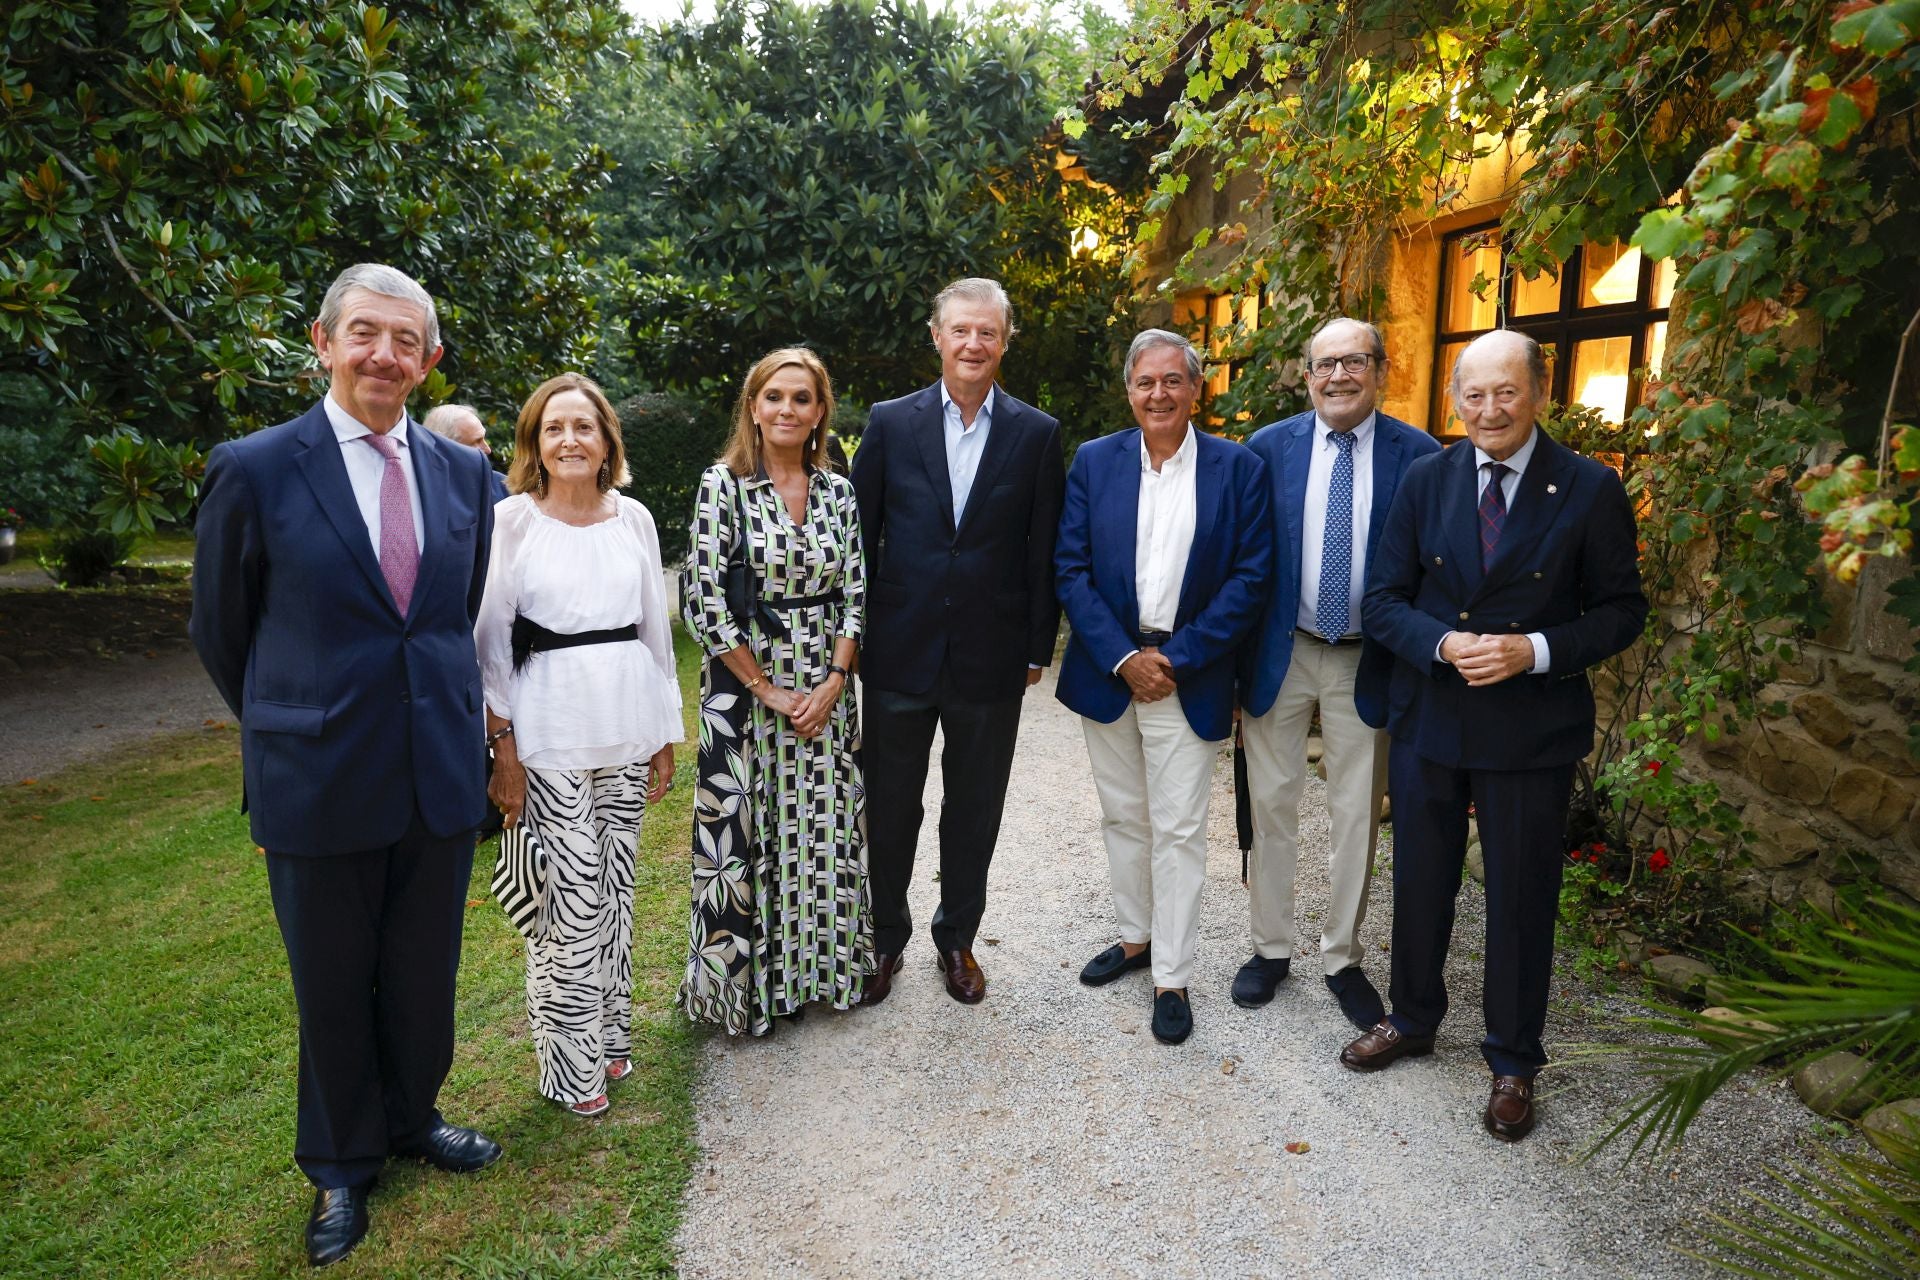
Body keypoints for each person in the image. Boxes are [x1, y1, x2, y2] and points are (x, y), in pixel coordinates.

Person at [189, 264, 501, 1269]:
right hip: (317, 772)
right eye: (364, 333)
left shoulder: (464, 478)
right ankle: (338, 1161)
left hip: (435, 771)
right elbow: (220, 628)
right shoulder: (256, 467)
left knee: (422, 969)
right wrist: (291, 720)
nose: (383, 355)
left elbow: (452, 615)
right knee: (330, 978)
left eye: (405, 340)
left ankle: (414, 1117)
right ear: (322, 342)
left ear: (430, 359)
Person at [1342, 329, 1648, 1142]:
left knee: (1519, 898)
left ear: (1540, 394)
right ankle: (1410, 1020)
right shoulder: (1424, 479)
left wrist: (1535, 651)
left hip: (1530, 729)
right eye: (1472, 394)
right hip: (1432, 716)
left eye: (1505, 392)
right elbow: (1381, 600)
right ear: (1452, 401)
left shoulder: (1588, 488)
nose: (1488, 409)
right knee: (1421, 880)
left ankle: (1513, 1059)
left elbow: (1623, 610)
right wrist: (1443, 643)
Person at [850, 278, 1066, 1006]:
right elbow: (861, 540)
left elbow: (1042, 549)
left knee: (974, 809)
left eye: (989, 333)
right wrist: (856, 640)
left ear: (1005, 342)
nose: (975, 345)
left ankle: (957, 939)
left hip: (992, 654)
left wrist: (1037, 646)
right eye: (961, 331)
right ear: (937, 337)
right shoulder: (889, 421)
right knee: (890, 805)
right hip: (897, 651)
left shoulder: (1036, 434)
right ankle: (884, 940)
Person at [1056, 330, 1272, 1045]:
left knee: (1179, 830)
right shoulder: (1095, 462)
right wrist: (1123, 656)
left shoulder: (1237, 468)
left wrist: (1173, 659)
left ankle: (1172, 975)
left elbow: (1249, 579)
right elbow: (1072, 569)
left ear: (1196, 389)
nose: (1159, 394)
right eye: (1146, 382)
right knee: (1124, 816)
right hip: (1110, 671)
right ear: (1129, 390)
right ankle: (1133, 937)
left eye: (1173, 381)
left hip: (1190, 672)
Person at [474, 373, 681, 1117]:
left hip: (626, 727)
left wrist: (665, 731)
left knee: (618, 893)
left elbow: (657, 633)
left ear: (606, 443)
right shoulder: (510, 523)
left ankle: (611, 1037)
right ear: (534, 441)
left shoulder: (635, 519)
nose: (569, 439)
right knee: (571, 906)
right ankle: (570, 1065)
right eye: (553, 427)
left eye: (583, 427)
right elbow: (490, 642)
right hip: (547, 735)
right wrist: (502, 745)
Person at [1235, 319, 1441, 1029]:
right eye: (1325, 364)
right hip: (1282, 650)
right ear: (1308, 373)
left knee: (1357, 811)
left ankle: (1341, 956)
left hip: (1370, 656)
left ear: (1381, 369)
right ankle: (1269, 948)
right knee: (1273, 802)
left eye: (1354, 362)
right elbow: (1246, 560)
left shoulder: (1419, 456)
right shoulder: (1269, 449)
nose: (1338, 377)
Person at [678, 347, 871, 1035]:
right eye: (774, 397)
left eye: (802, 398)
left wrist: (834, 681)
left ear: (821, 412)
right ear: (753, 408)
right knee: (753, 839)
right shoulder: (722, 485)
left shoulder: (839, 491)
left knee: (821, 833)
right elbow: (703, 602)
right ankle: (756, 992)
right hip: (747, 694)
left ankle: (823, 975)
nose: (787, 409)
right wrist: (769, 691)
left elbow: (856, 590)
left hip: (827, 685)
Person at [423, 402, 510, 505]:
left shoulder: (504, 489)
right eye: (476, 441)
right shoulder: (419, 491)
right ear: (445, 449)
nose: (488, 450)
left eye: (483, 438)